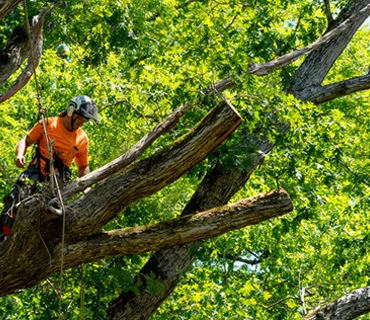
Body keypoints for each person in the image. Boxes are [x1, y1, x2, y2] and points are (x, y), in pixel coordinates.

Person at [0, 95, 99, 241]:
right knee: (15, 198)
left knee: (52, 216)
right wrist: (19, 154)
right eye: (79, 119)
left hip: (58, 182)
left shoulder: (82, 139)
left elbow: (83, 166)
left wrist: (87, 187)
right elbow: (25, 141)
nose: (81, 124)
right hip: (35, 172)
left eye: (84, 121)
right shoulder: (48, 124)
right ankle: (2, 238)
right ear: (71, 111)